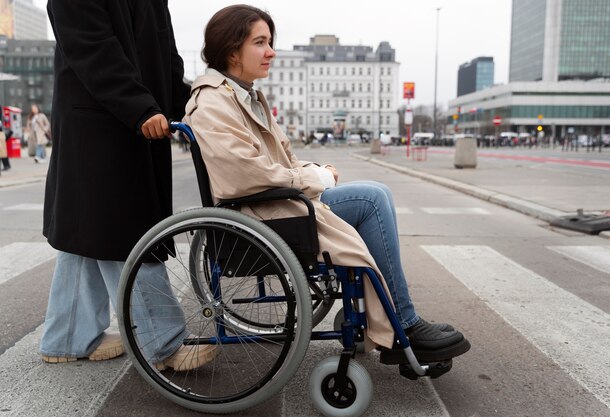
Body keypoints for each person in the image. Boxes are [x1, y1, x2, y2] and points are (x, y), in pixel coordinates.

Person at [183, 4, 470, 364]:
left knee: (377, 192)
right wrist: (310, 178)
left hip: (275, 203)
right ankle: (404, 322)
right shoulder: (212, 102)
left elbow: (280, 160)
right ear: (231, 50)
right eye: (261, 43)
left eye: (270, 41)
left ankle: (393, 317)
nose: (271, 52)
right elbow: (244, 174)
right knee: (370, 201)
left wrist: (316, 169)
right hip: (259, 215)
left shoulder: (246, 95)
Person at [40, 0, 217, 370]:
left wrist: (195, 105)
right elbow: (93, 50)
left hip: (134, 119)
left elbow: (167, 58)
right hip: (100, 124)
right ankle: (162, 343)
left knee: (86, 230)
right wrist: (141, 107)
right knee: (129, 231)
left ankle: (67, 336)